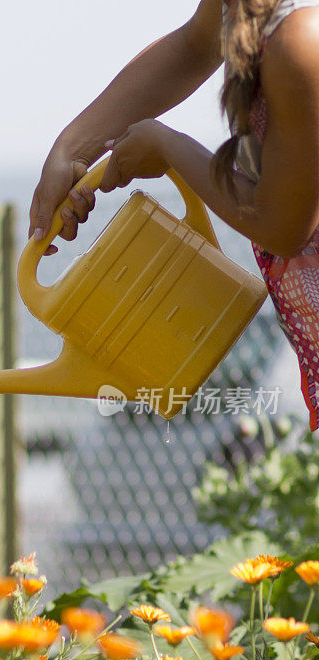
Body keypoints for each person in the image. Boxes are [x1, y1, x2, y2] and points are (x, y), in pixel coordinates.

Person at [29, 0, 319, 429]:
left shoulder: (301, 38)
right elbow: (192, 47)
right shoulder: (245, 11)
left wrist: (167, 147)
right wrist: (69, 150)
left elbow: (282, 225)